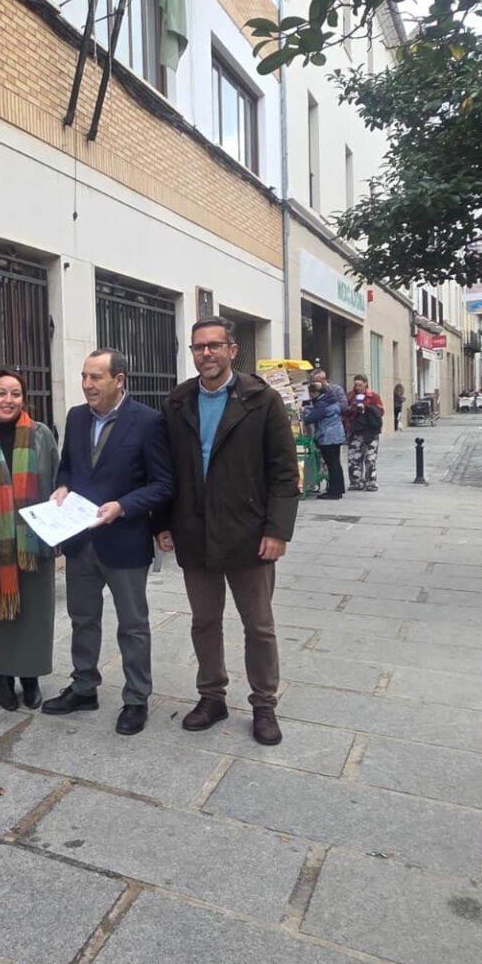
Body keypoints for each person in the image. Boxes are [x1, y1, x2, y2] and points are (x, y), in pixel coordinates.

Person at [157, 316, 300, 746]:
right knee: (204, 621)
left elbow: (284, 471)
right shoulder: (177, 402)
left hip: (248, 533)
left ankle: (264, 704)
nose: (206, 354)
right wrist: (162, 522)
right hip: (194, 532)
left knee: (258, 625)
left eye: (214, 346)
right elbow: (165, 470)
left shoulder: (262, 400)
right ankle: (211, 697)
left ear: (232, 350)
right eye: (198, 347)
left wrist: (277, 530)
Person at [42, 349, 175, 736]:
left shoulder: (148, 421)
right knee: (82, 618)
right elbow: (68, 467)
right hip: (80, 541)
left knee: (133, 625)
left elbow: (163, 483)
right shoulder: (76, 417)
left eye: (96, 377)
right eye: (84, 376)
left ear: (119, 380)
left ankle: (136, 698)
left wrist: (124, 506)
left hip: (124, 540)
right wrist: (62, 487)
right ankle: (84, 687)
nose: (87, 384)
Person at [0, 369, 60, 712]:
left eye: (15, 394)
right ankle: (3, 676)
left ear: (24, 399)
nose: (8, 400)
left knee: (35, 615)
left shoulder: (41, 435)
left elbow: (57, 482)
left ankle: (31, 677)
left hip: (33, 544)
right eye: (1, 393)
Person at [302, 368, 348, 500]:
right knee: (335, 463)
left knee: (332, 463)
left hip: (328, 437)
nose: (310, 397)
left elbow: (311, 418)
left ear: (316, 393)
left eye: (311, 394)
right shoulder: (329, 399)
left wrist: (304, 411)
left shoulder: (322, 403)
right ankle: (338, 489)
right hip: (335, 435)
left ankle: (334, 492)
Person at [343, 374, 385, 491]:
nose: (357, 387)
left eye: (360, 385)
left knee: (370, 458)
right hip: (355, 431)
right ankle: (356, 482)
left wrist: (366, 407)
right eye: (356, 385)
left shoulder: (373, 396)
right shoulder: (350, 396)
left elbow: (380, 411)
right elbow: (345, 411)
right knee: (354, 458)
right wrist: (353, 407)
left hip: (370, 431)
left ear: (365, 384)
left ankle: (371, 482)